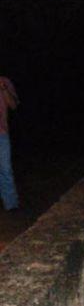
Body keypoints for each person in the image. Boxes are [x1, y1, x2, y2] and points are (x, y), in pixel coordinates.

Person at [0, 74, 19, 211]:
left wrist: (4, 89)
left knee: (5, 170)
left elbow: (13, 105)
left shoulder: (5, 81)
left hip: (1, 134)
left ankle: (11, 205)